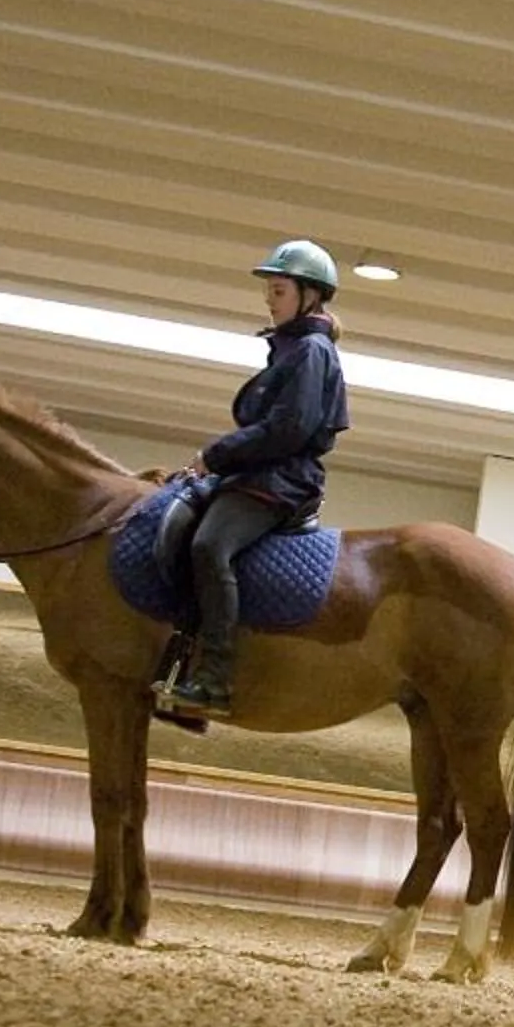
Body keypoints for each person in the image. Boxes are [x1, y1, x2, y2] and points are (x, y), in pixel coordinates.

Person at [155, 240, 350, 718]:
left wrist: (215, 455)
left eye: (278, 290)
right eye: (269, 290)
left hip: (279, 480)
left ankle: (215, 680)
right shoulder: (289, 349)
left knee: (209, 547)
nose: (269, 299)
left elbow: (288, 428)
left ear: (310, 295)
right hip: (257, 472)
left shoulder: (310, 350)